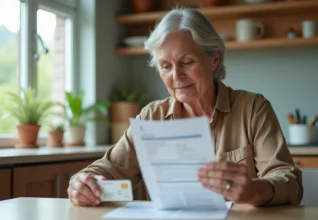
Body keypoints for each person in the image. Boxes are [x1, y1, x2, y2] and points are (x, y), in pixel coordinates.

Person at [67, 8, 302, 207]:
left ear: (215, 60)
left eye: (187, 62)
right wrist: (82, 182)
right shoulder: (152, 117)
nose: (176, 76)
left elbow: (289, 181)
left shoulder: (253, 109)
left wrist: (253, 190)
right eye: (165, 66)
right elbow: (106, 170)